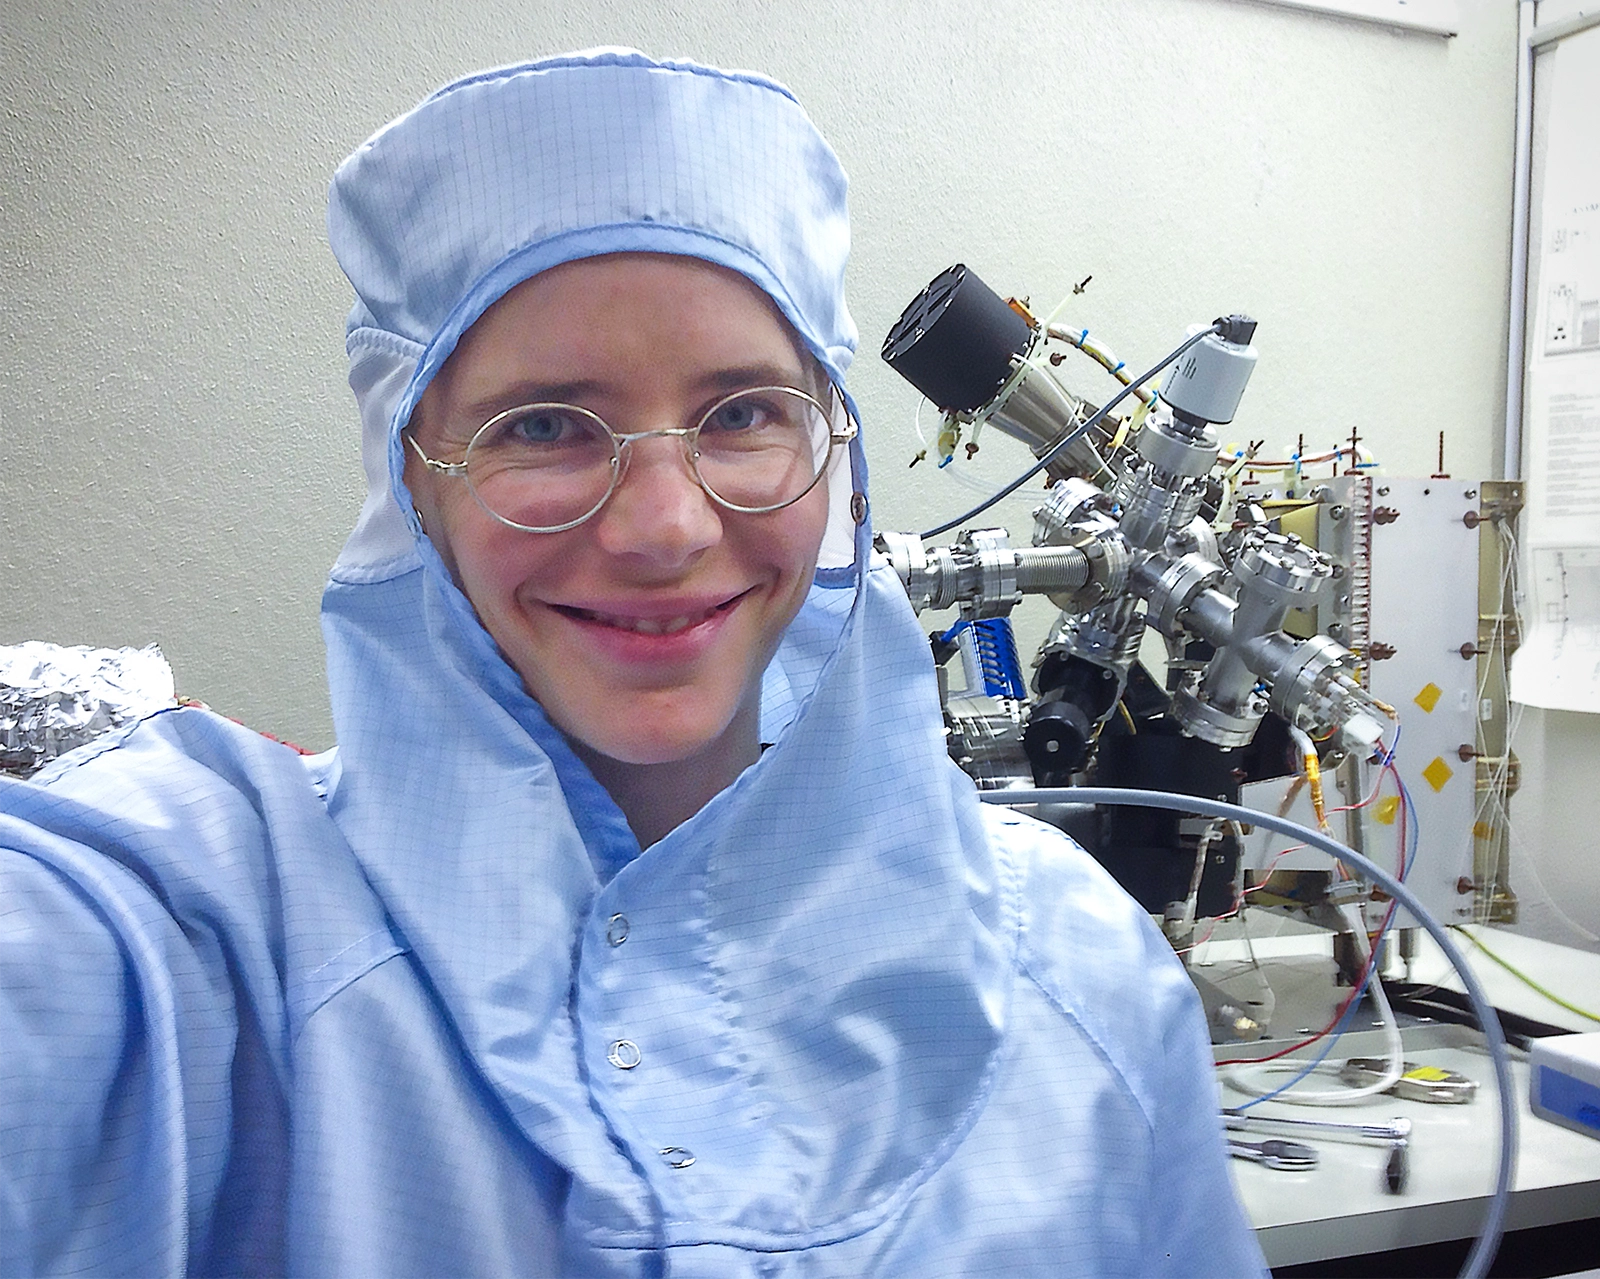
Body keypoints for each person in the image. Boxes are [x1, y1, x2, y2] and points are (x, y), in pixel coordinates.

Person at [0, 49, 1268, 1277]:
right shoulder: (202, 936)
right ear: (412, 484)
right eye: (541, 425)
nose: (664, 527)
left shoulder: (1079, 972)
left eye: (744, 413)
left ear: (837, 455)